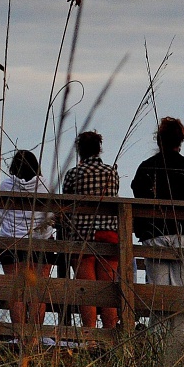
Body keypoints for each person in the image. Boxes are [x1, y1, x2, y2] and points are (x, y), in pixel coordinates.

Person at [131, 118, 184, 335]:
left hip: (155, 233)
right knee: (183, 291)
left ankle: (158, 338)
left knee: (158, 292)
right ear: (180, 140)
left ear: (158, 139)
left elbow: (139, 194)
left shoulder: (147, 167)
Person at [61, 131, 120, 330]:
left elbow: (66, 205)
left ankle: (90, 336)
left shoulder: (73, 174)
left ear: (80, 151)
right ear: (99, 149)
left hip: (81, 235)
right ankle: (111, 334)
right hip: (108, 234)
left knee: (87, 290)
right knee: (108, 288)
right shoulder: (111, 172)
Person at [0, 150, 53, 329]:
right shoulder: (46, 185)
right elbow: (51, 214)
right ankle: (36, 335)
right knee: (38, 290)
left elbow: (1, 211)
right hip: (41, 241)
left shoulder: (5, 186)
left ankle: (18, 334)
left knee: (16, 289)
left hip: (10, 241)